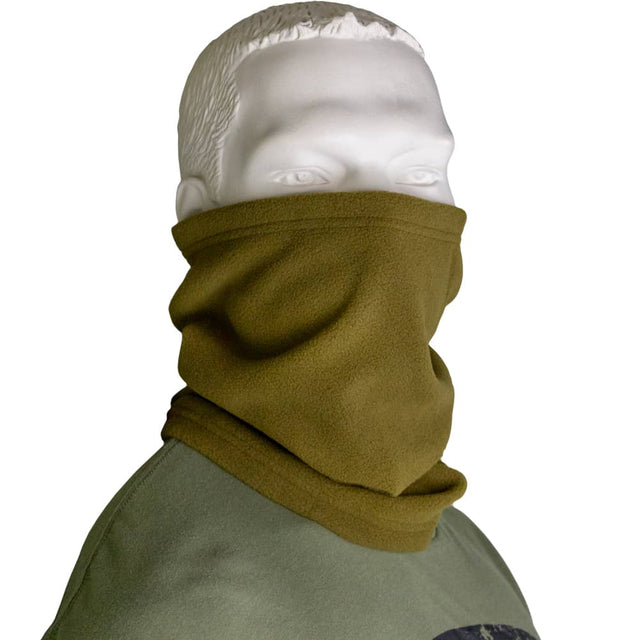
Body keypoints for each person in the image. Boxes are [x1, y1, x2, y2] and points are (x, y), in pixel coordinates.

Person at [41, 3, 540, 639]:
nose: (383, 216)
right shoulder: (169, 601)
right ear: (199, 215)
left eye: (418, 172)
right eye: (307, 173)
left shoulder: (469, 553)